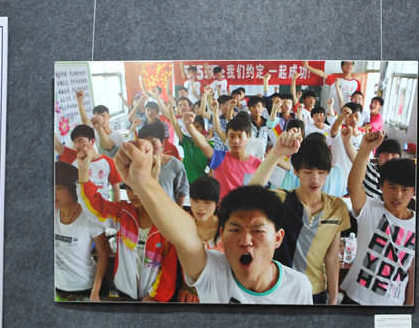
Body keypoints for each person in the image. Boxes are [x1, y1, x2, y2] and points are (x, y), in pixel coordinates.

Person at [113, 138, 313, 304]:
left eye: (257, 231)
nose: (245, 240)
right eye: (234, 230)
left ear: (278, 238)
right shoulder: (212, 272)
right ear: (223, 236)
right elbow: (186, 238)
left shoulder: (298, 287)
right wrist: (144, 183)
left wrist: (276, 154)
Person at [251, 129, 350, 304]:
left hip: (315, 291)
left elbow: (332, 256)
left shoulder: (337, 207)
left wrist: (333, 298)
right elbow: (251, 193)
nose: (315, 180)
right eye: (308, 172)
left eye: (321, 172)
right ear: (296, 171)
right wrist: (276, 153)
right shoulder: (282, 200)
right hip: (278, 287)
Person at [76, 149, 178, 302]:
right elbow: (96, 206)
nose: (134, 193)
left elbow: (170, 266)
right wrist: (83, 169)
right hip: (124, 293)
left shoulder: (168, 220)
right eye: (130, 188)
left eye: (139, 186)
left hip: (153, 298)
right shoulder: (123, 213)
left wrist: (155, 297)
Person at [340, 131, 417, 305]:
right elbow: (353, 187)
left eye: (405, 189)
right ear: (381, 186)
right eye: (392, 187)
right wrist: (365, 150)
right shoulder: (371, 210)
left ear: (413, 191)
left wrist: (409, 306)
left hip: (392, 306)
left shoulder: (418, 225)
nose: (398, 195)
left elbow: (414, 272)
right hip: (356, 298)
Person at [53, 161, 109, 301]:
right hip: (58, 287)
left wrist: (95, 291)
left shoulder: (90, 216)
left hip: (86, 288)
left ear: (73, 190)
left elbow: (103, 253)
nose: (53, 193)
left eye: (58, 188)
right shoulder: (51, 214)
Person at [183, 112, 262, 200]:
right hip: (222, 211)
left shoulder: (257, 163)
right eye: (232, 136)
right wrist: (189, 125)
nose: (236, 141)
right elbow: (203, 144)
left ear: (248, 136)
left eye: (240, 136)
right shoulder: (219, 158)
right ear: (227, 137)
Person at [177, 176, 223, 303]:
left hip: (219, 298)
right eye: (196, 201)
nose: (200, 208)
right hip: (187, 297)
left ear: (217, 201)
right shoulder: (183, 223)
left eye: (207, 203)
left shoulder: (227, 229)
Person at [54, 124, 122, 201]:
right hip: (81, 209)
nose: (76, 146)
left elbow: (116, 190)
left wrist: (116, 211)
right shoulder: (74, 157)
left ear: (92, 141)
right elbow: (56, 144)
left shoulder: (108, 162)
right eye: (74, 142)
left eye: (80, 141)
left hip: (102, 209)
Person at [137, 121, 189, 207]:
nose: (150, 148)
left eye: (154, 143)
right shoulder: (138, 165)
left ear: (163, 143)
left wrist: (178, 210)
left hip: (168, 211)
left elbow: (182, 192)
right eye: (146, 144)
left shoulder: (175, 165)